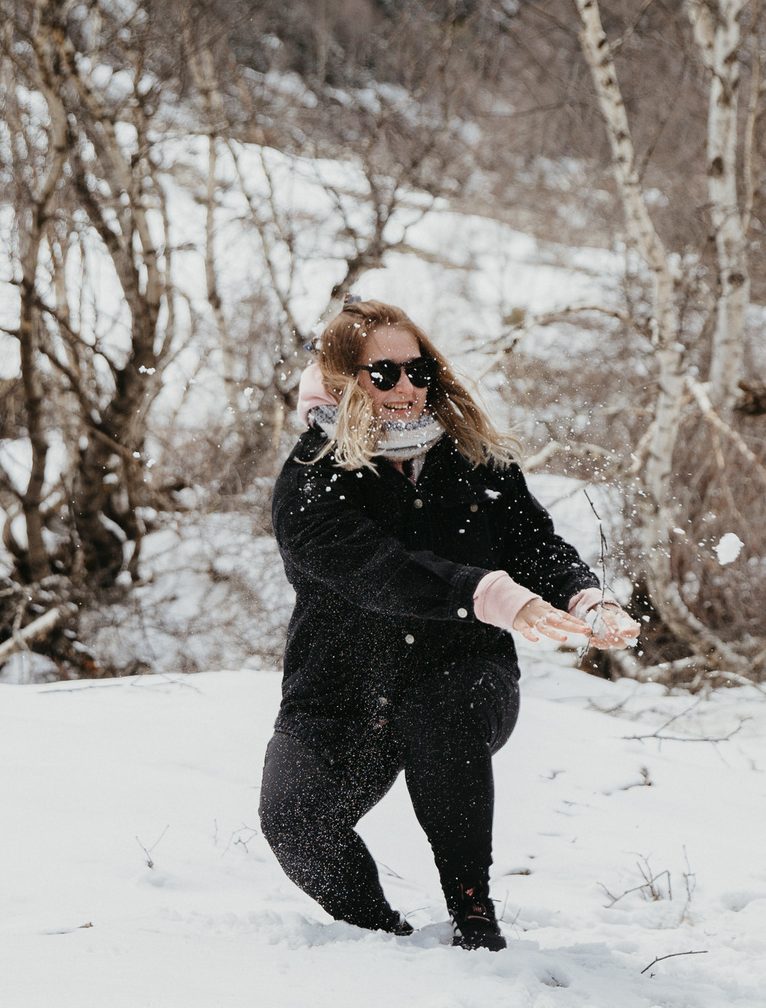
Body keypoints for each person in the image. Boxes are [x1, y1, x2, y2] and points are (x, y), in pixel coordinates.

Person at [260, 297, 638, 950]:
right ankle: (379, 935)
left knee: (441, 710)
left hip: (464, 668)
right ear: (345, 380)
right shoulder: (311, 482)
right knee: (293, 821)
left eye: (417, 370)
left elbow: (530, 541)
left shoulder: (470, 455)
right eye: (384, 374)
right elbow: (380, 571)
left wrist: (584, 597)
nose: (407, 388)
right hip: (342, 686)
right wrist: (485, 590)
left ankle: (474, 916)